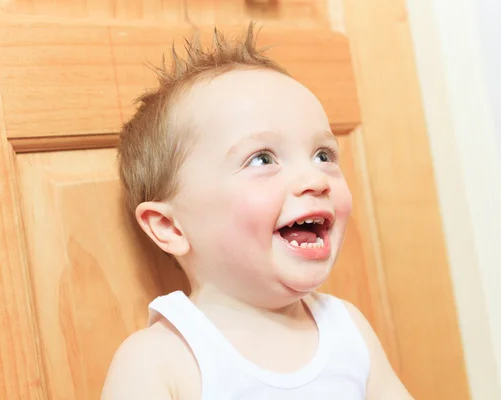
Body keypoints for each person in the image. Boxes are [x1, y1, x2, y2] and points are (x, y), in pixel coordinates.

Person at [102, 23, 413, 400]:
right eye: (262, 158)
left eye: (323, 155)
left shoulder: (348, 331)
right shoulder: (162, 360)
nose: (314, 178)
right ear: (170, 227)